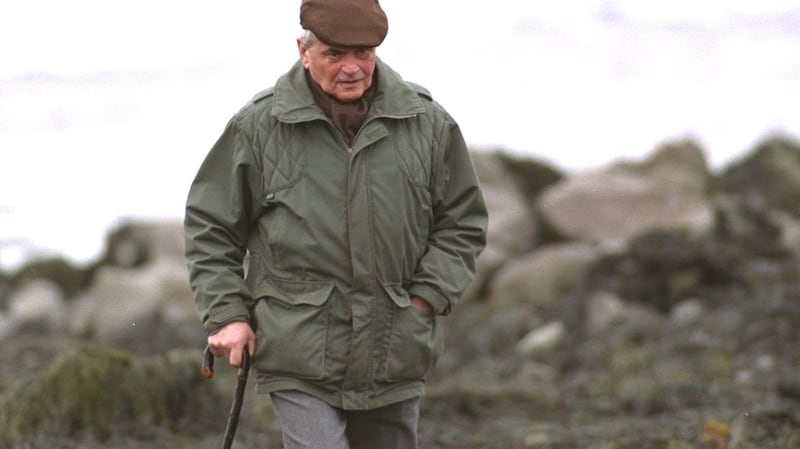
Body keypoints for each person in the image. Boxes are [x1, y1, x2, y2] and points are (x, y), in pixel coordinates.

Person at [184, 0, 487, 447]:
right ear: (303, 51)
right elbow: (211, 227)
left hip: (395, 347)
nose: (351, 68)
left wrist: (426, 298)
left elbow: (462, 220)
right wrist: (227, 314)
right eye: (334, 54)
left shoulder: (429, 124)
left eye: (363, 53)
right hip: (296, 349)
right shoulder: (258, 127)